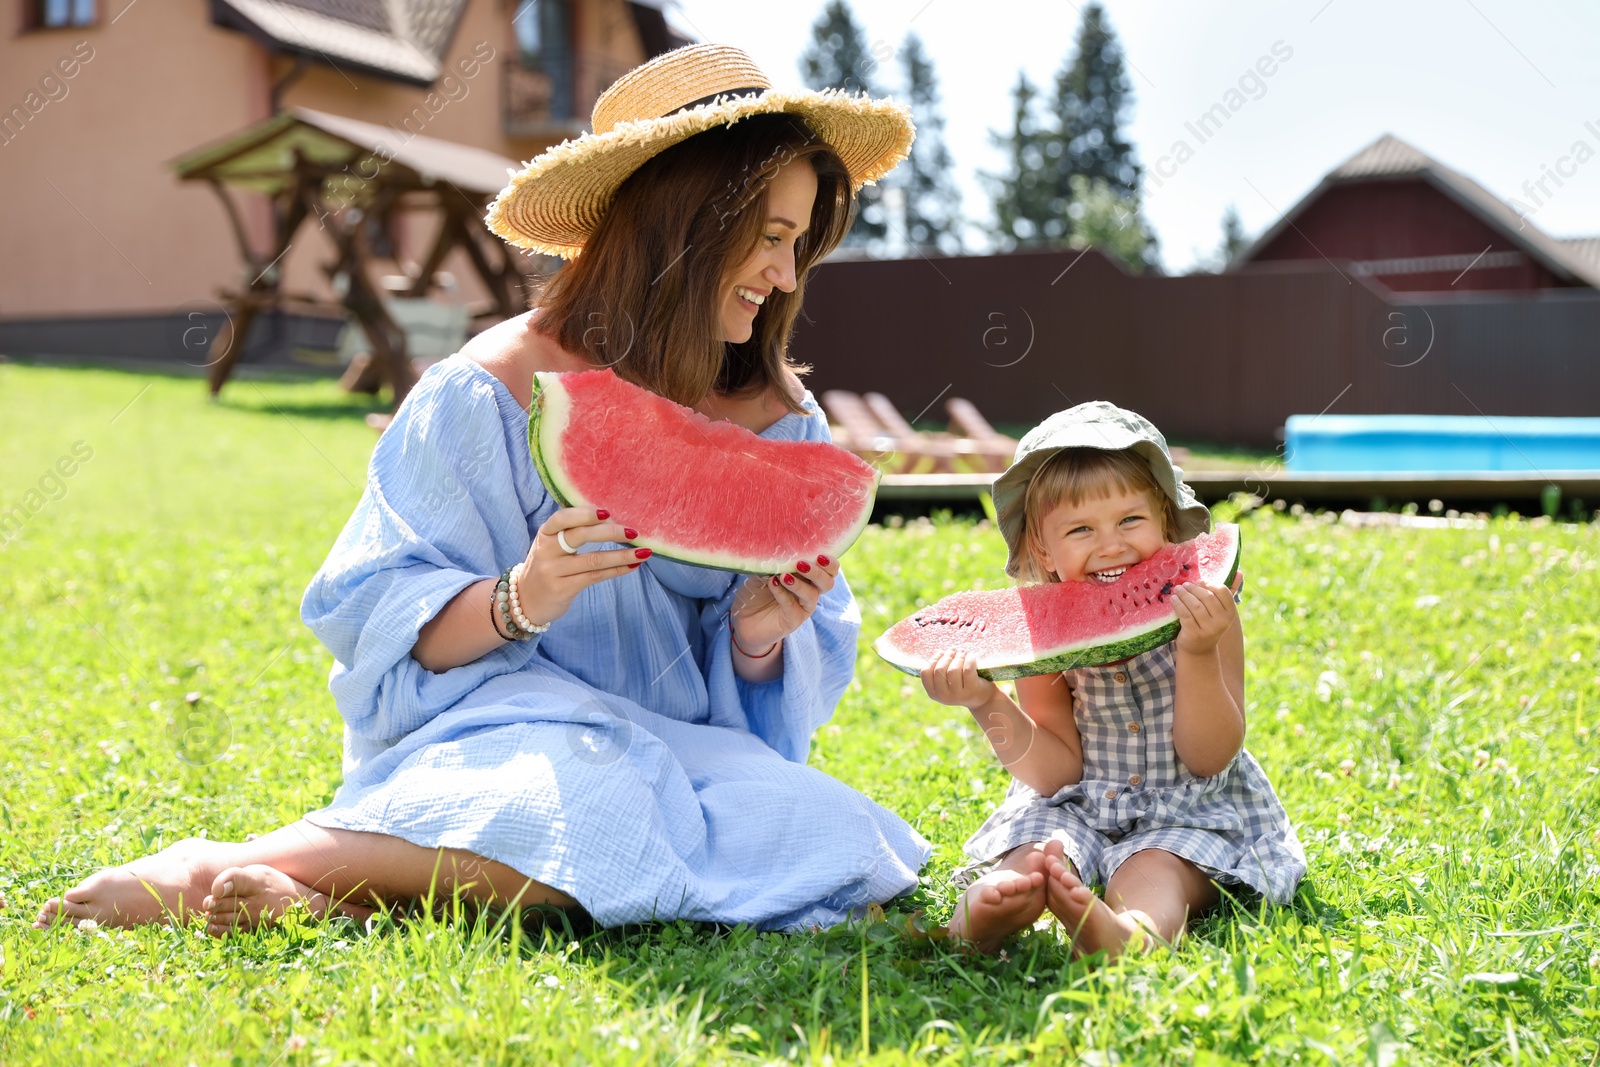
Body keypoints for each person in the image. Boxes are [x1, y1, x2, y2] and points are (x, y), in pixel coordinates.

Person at [35, 44, 931, 936]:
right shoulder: (491, 388)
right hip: (505, 731)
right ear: (687, 221)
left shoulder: (781, 420)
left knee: (848, 840)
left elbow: (773, 708)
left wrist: (758, 639)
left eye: (800, 243)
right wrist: (520, 597)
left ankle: (346, 894)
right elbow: (384, 615)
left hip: (689, 752)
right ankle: (230, 865)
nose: (786, 274)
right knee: (588, 800)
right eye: (772, 238)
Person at [918, 402, 1305, 957]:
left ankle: (1130, 933)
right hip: (1075, 803)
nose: (1111, 545)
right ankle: (987, 909)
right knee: (1037, 851)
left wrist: (1196, 651)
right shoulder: (1045, 628)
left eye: (1131, 520)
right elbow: (1055, 773)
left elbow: (1210, 756)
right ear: (1042, 551)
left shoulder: (1207, 611)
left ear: (1168, 522)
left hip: (1184, 809)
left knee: (1159, 869)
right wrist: (983, 700)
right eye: (1080, 529)